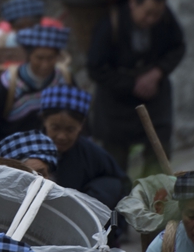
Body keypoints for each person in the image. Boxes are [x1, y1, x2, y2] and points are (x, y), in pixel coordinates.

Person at [87, 0, 186, 178]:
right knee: (113, 166)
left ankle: (155, 201)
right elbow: (95, 68)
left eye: (156, 14)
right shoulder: (111, 23)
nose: (151, 20)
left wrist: (157, 72)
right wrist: (132, 84)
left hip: (155, 98)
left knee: (159, 158)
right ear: (133, 2)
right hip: (117, 103)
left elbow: (178, 47)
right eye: (147, 13)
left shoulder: (165, 19)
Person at [0, 25, 72, 152]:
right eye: (39, 58)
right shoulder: (11, 81)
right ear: (29, 57)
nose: (45, 64)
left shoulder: (63, 79)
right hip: (13, 151)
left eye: (50, 58)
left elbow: (78, 118)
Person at [39, 85, 128, 214]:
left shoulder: (92, 154)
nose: (62, 136)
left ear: (81, 126)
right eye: (55, 128)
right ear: (44, 121)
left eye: (70, 129)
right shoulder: (27, 148)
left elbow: (121, 184)